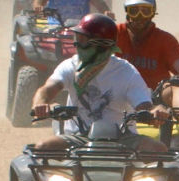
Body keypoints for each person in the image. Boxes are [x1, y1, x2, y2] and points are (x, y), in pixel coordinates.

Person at [31, 13, 162, 141]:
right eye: (77, 39)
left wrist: (154, 113)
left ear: (101, 46)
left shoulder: (126, 72)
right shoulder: (70, 65)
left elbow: (143, 105)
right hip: (77, 137)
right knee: (44, 147)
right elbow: (48, 88)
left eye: (82, 41)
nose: (76, 45)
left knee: (157, 149)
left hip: (122, 138)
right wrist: (40, 103)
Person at [117, 0, 179, 108]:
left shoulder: (164, 39)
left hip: (156, 98)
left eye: (145, 11)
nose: (140, 17)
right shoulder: (113, 34)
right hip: (119, 97)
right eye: (134, 11)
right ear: (127, 12)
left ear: (153, 13)